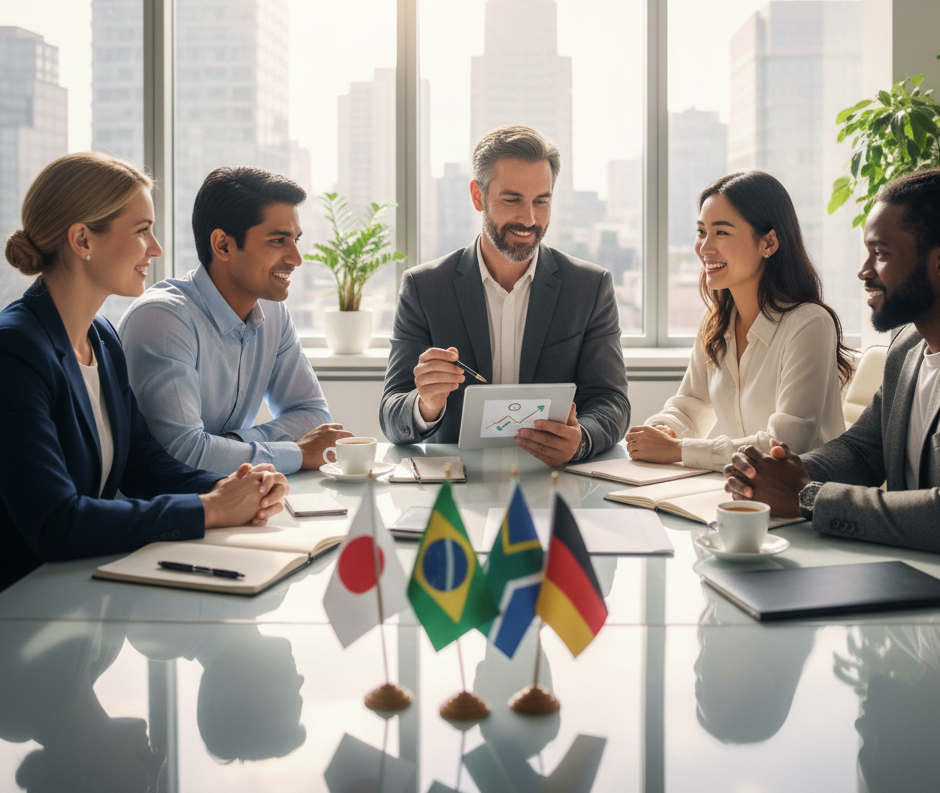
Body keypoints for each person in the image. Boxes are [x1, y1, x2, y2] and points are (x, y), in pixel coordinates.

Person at [724, 169, 940, 597]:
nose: (864, 271)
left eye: (880, 253)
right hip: (915, 588)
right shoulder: (907, 347)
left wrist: (807, 496)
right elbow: (864, 450)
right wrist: (778, 473)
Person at [0, 152, 289, 593]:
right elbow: (56, 521)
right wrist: (209, 510)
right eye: (141, 231)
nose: (155, 248)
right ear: (82, 240)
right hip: (25, 603)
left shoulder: (101, 338)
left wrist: (235, 486)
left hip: (81, 590)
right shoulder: (15, 350)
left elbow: (141, 462)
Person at [379, 125, 629, 465]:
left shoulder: (589, 286)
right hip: (458, 489)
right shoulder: (425, 288)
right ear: (478, 196)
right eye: (512, 200)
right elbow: (392, 415)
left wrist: (581, 439)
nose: (529, 218)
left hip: (554, 481)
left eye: (541, 201)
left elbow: (611, 401)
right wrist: (426, 404)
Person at [119, 166, 349, 474]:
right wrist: (296, 453)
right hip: (167, 511)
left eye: (296, 239)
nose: (296, 258)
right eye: (278, 241)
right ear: (223, 245)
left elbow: (313, 414)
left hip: (230, 497)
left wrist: (228, 443)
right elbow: (183, 455)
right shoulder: (163, 319)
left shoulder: (273, 312)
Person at [626, 171, 851, 471]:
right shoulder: (716, 322)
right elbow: (691, 407)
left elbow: (786, 444)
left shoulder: (809, 324)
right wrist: (663, 430)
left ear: (768, 243)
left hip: (803, 503)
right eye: (701, 231)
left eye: (721, 232)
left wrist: (677, 450)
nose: (705, 248)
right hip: (739, 495)